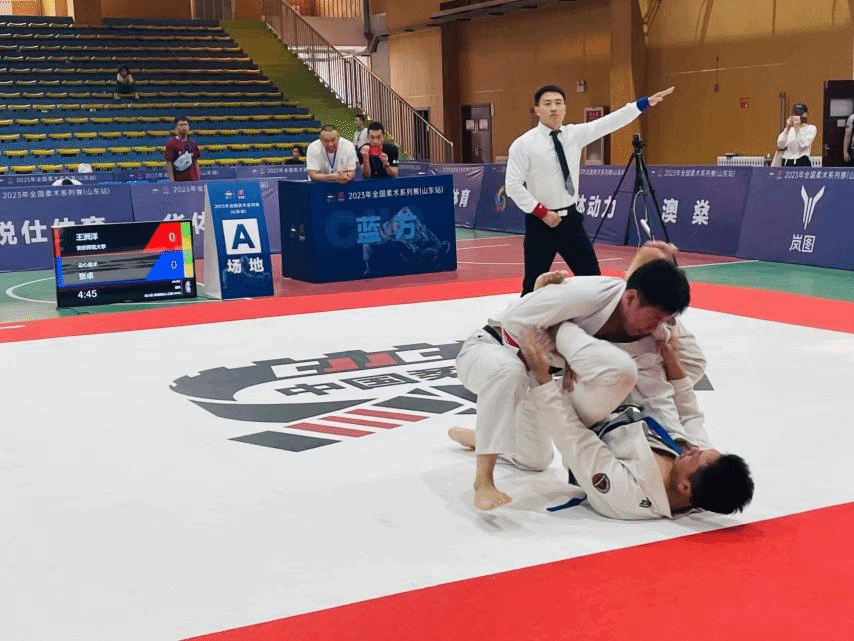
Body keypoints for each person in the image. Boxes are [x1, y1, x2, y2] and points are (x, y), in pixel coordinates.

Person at [455, 257, 690, 510]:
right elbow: (514, 320)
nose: (655, 326)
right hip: (491, 348)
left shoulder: (650, 339)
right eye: (654, 317)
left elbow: (656, 396)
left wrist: (677, 440)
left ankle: (485, 438)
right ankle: (484, 481)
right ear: (631, 298)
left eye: (663, 321)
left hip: (534, 377)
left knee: (535, 460)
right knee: (510, 372)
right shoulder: (587, 293)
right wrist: (565, 352)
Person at [450, 325, 753, 520]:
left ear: (685, 488)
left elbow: (572, 437)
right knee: (688, 360)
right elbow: (689, 413)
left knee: (535, 458)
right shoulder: (701, 473)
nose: (695, 450)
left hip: (587, 415)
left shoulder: (628, 494)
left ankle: (561, 327)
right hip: (641, 401)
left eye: (696, 457)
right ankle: (647, 295)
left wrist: (542, 374)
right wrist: (671, 360)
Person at [507, 84, 675, 295]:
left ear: (565, 108)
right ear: (537, 110)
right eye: (547, 104)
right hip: (540, 223)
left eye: (558, 103)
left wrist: (642, 104)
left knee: (592, 278)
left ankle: (597, 316)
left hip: (570, 221)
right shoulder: (523, 144)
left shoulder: (574, 134)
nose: (553, 108)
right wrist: (542, 212)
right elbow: (513, 185)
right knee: (532, 284)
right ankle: (524, 316)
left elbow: (609, 122)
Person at [776, 103, 816, 167]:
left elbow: (803, 144)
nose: (798, 117)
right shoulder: (789, 129)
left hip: (802, 161)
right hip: (787, 161)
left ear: (806, 114)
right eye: (796, 114)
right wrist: (787, 128)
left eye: (801, 113)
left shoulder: (811, 128)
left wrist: (797, 128)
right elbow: (780, 145)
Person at [165, 116, 201, 182]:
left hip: (193, 180)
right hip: (179, 181)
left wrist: (198, 179)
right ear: (176, 128)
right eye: (181, 125)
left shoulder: (192, 143)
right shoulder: (172, 143)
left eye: (185, 125)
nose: (184, 127)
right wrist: (172, 181)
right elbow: (169, 163)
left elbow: (196, 161)